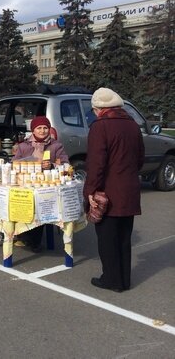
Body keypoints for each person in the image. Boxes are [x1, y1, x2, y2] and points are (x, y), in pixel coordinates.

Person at [84, 88, 144, 292]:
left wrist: (90, 190)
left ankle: (111, 279)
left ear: (98, 109)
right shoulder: (132, 125)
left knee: (107, 239)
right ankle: (124, 279)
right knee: (123, 238)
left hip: (109, 191)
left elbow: (96, 164)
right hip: (129, 189)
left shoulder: (100, 127)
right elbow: (140, 159)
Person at [13, 116, 69, 252]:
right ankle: (21, 234)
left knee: (41, 208)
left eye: (45, 128)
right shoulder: (23, 146)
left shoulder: (56, 146)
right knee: (20, 204)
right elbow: (13, 164)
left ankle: (33, 241)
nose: (43, 131)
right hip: (26, 184)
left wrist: (51, 165)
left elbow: (66, 165)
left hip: (47, 186)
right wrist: (27, 163)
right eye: (39, 128)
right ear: (33, 130)